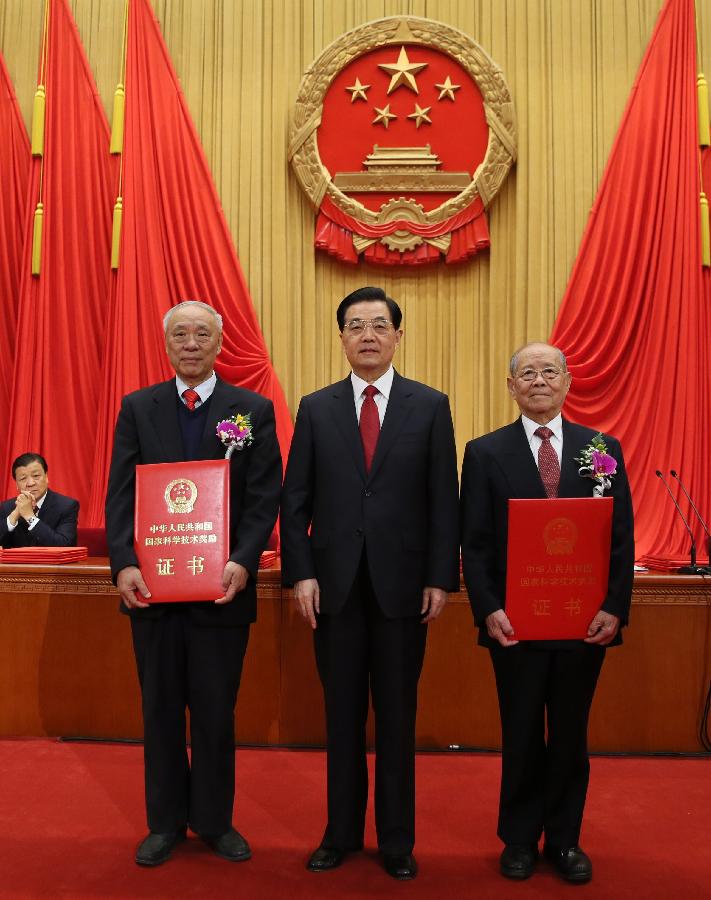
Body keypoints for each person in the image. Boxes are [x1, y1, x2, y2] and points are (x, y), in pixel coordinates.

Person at [280, 287, 459, 881]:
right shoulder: (316, 407)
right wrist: (300, 571)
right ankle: (340, 832)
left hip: (404, 588)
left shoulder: (430, 406)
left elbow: (443, 502)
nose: (368, 335)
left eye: (379, 325)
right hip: (333, 588)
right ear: (341, 336)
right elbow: (295, 499)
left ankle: (398, 840)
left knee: (398, 718)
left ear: (398, 336)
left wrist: (440, 576)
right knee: (342, 716)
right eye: (355, 325)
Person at [105, 300, 281, 867]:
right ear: (166, 344)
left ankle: (213, 821)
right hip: (152, 590)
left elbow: (263, 496)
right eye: (179, 333)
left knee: (213, 710)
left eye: (201, 333)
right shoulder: (138, 408)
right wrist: (124, 563)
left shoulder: (249, 409)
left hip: (221, 589)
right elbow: (121, 496)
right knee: (158, 710)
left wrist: (245, 558)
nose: (190, 342)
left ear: (218, 343)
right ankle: (164, 824)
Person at [460, 342, 634, 885]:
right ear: (511, 387)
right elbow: (477, 543)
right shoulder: (485, 452)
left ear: (567, 382)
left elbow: (620, 540)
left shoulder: (601, 448)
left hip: (583, 625)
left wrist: (614, 607)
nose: (539, 380)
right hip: (516, 624)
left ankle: (563, 840)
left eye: (549, 371)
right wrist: (488, 609)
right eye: (527, 373)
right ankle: (517, 838)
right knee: (519, 732)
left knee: (570, 735)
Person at [0, 453, 78, 548]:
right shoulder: (6, 507)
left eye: (36, 476)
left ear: (46, 477)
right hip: (17, 563)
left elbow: (64, 545)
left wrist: (30, 517)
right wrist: (13, 516)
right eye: (23, 478)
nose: (30, 483)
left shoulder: (66, 506)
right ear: (16, 484)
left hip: (51, 563)